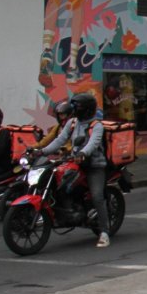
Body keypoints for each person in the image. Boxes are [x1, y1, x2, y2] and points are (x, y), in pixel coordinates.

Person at [38, 92, 110, 247]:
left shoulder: (96, 125)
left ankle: (104, 232)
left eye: (78, 107)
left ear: (86, 109)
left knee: (97, 196)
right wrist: (42, 151)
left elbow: (93, 143)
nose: (75, 109)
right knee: (57, 181)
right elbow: (60, 140)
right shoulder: (72, 123)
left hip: (94, 166)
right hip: (75, 163)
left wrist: (83, 153)